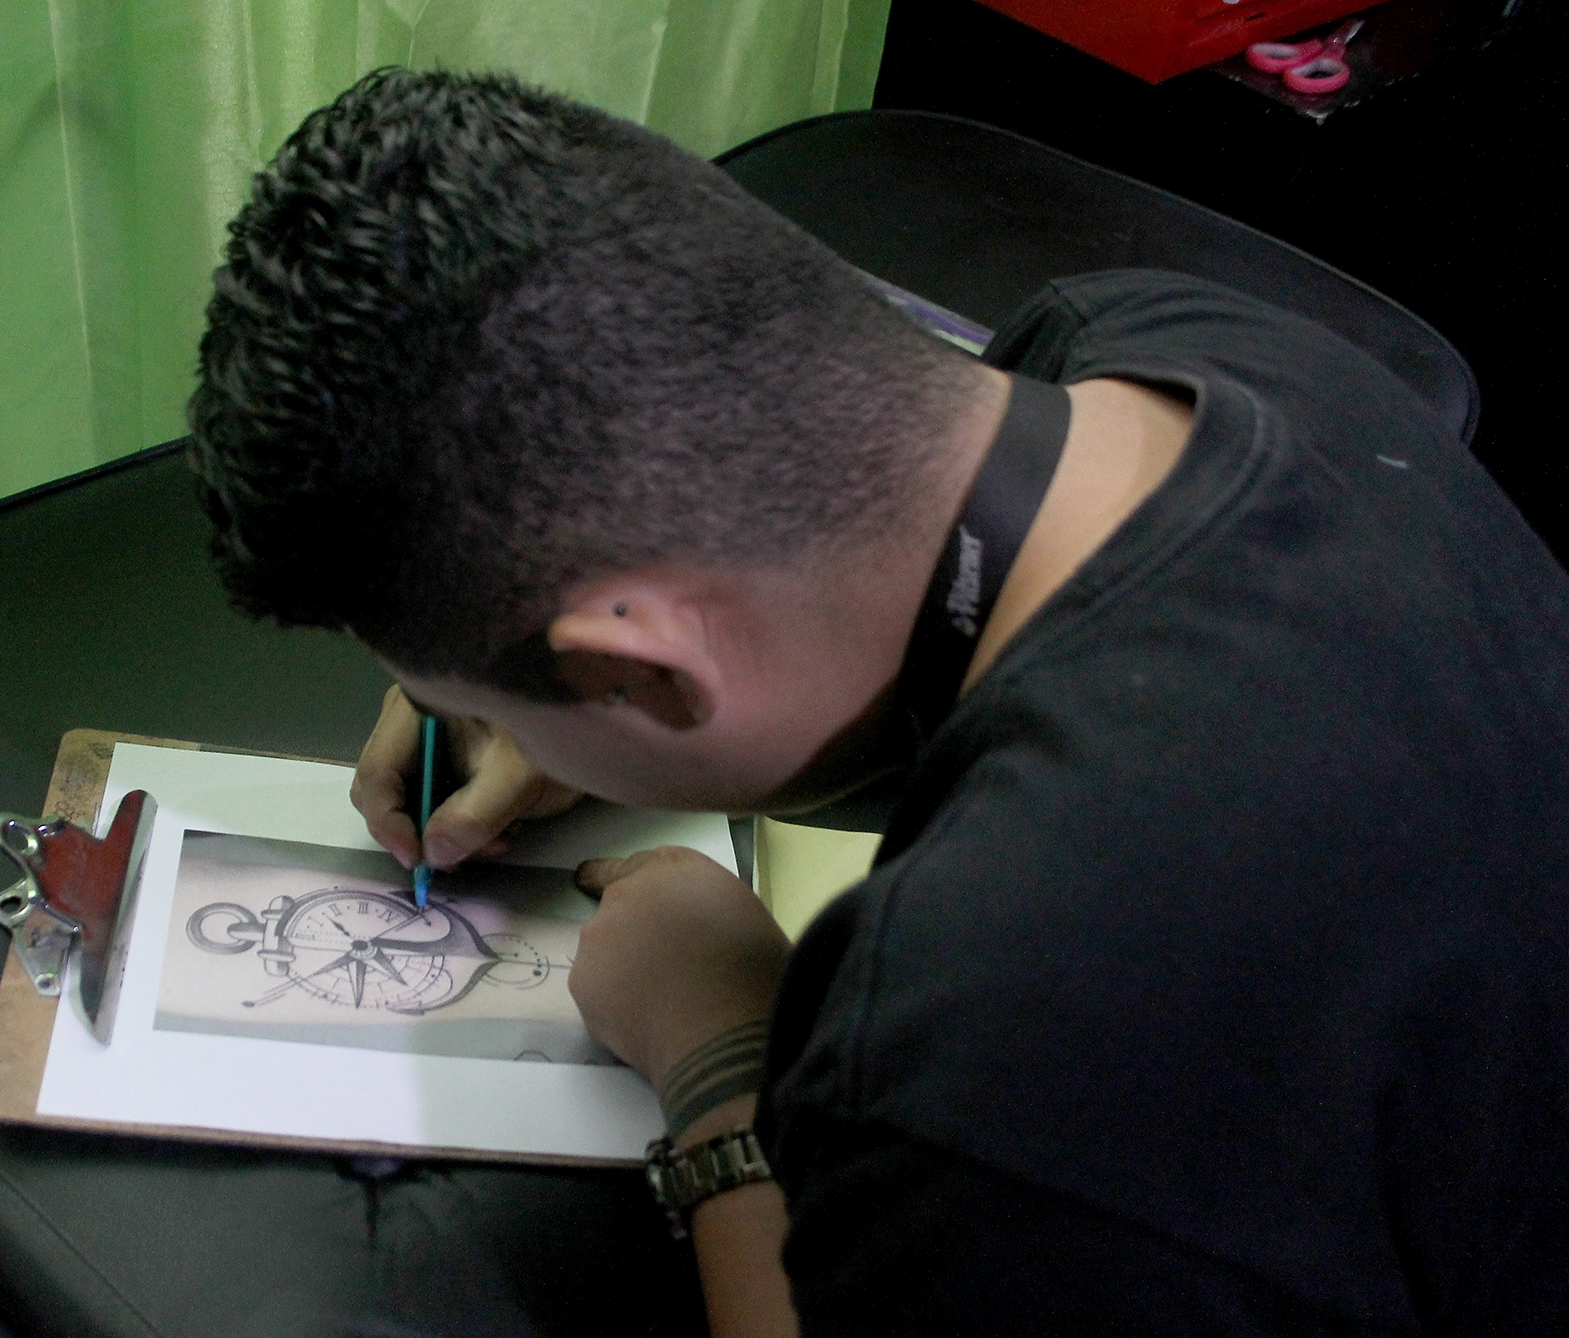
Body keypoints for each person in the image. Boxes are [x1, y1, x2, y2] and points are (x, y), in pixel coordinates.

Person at [186, 67, 1569, 1336]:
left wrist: (721, 1056)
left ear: (644, 670)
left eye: (487, 705)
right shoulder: (1162, 344)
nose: (492, 743)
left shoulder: (978, 1044)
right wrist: (592, 726)